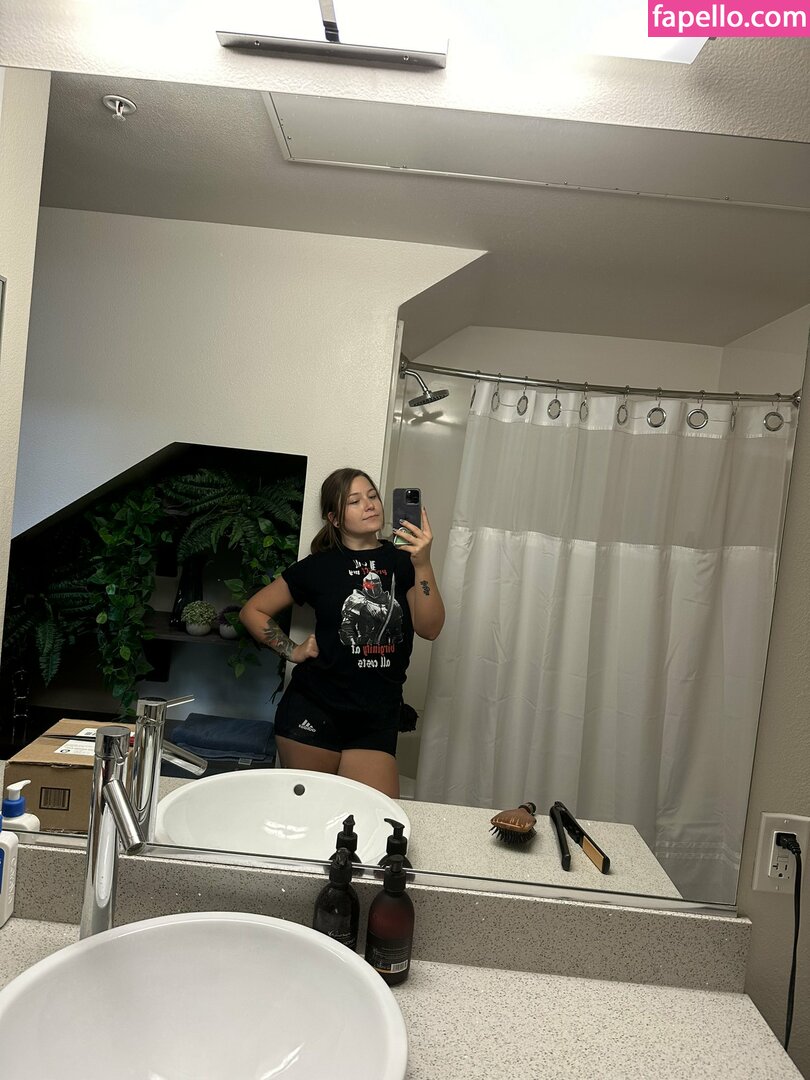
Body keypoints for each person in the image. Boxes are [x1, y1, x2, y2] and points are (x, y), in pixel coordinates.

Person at [240, 468, 445, 797]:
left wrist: (423, 563)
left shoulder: (403, 561)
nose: (369, 504)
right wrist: (291, 650)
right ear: (334, 518)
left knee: (377, 820)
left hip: (376, 715)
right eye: (354, 501)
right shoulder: (318, 567)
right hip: (314, 707)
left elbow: (430, 628)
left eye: (372, 496)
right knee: (309, 818)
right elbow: (252, 611)